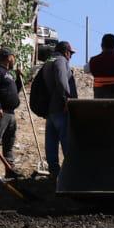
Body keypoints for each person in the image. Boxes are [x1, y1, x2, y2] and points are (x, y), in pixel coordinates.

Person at [37, 39, 78, 174]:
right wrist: (67, 99)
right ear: (66, 52)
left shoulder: (49, 61)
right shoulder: (60, 61)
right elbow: (61, 81)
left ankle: (54, 171)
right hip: (61, 108)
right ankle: (70, 171)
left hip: (50, 109)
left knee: (51, 141)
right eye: (70, 54)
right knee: (66, 140)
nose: (70, 57)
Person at [0, 47, 22, 167]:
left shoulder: (9, 73)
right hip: (1, 112)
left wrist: (19, 79)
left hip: (11, 113)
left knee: (9, 140)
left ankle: (9, 167)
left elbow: (15, 91)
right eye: (13, 56)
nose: (14, 59)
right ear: (8, 57)